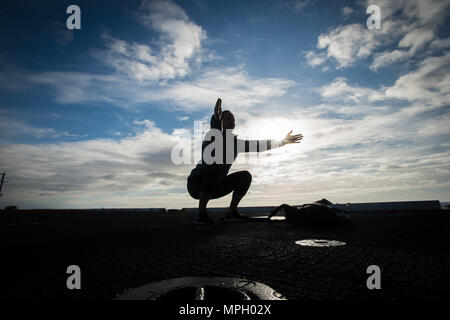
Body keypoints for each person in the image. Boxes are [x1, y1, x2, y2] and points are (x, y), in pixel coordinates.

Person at [187, 98, 303, 225]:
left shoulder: (236, 144)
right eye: (227, 118)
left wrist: (283, 141)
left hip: (216, 186)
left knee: (244, 176)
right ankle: (201, 214)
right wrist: (215, 119)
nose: (231, 121)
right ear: (220, 122)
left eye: (233, 119)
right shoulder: (212, 136)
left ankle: (231, 212)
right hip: (196, 185)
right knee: (214, 165)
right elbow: (216, 131)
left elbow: (259, 145)